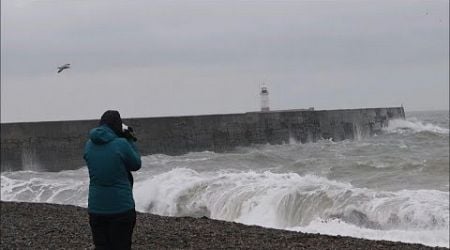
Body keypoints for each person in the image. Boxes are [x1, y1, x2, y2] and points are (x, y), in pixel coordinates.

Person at [84, 110, 141, 250]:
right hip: (121, 207)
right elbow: (136, 164)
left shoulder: (89, 144)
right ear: (117, 125)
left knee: (102, 246)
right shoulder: (121, 144)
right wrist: (130, 139)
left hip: (96, 207)